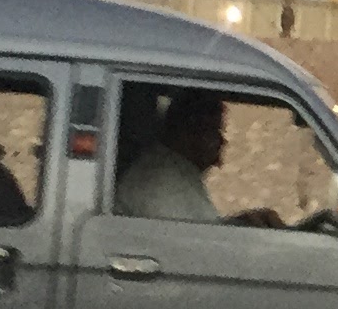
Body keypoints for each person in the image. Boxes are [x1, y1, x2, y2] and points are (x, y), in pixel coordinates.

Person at [113, 91, 285, 228]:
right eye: (214, 131)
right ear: (188, 132)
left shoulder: (178, 172)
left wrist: (242, 222)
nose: (222, 141)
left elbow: (204, 229)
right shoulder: (158, 180)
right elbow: (193, 243)